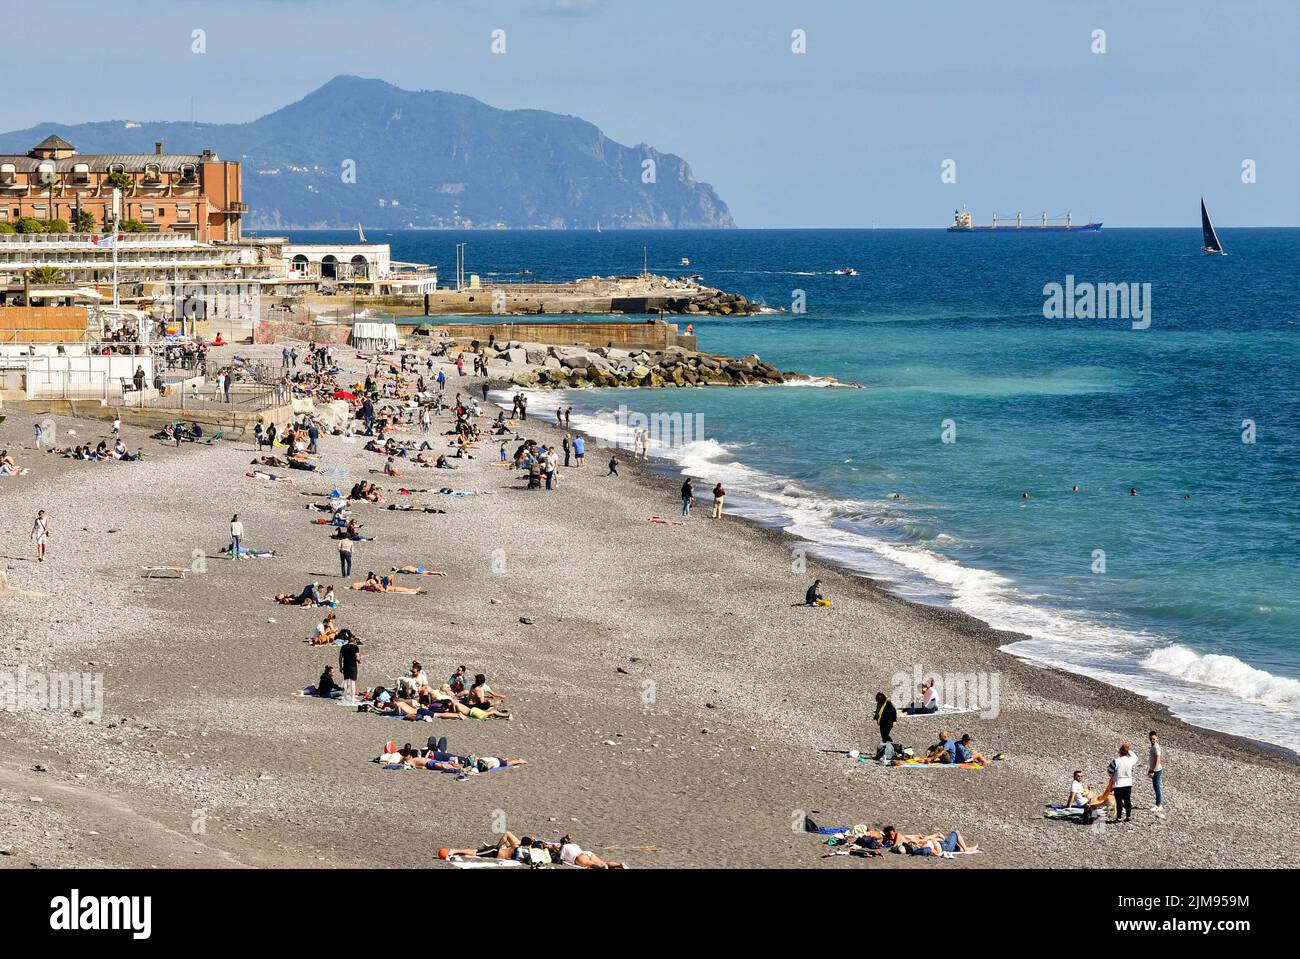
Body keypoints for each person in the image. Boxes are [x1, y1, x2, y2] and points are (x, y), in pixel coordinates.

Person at [1107, 743, 1137, 823]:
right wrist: (1128, 750)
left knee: (1119, 801)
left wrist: (1113, 776)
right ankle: (1128, 816)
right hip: (1128, 782)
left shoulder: (1116, 761)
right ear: (1127, 752)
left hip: (1118, 783)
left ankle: (1119, 817)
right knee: (1127, 800)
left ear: (1120, 751)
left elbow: (1109, 771)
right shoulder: (1130, 760)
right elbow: (1135, 757)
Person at [339, 632, 362, 702]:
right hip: (353, 666)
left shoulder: (343, 647)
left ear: (348, 640)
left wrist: (341, 666)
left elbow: (340, 658)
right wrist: (360, 659)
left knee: (345, 681)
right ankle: (352, 698)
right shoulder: (355, 647)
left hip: (345, 666)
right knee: (353, 683)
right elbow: (357, 658)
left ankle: (344, 696)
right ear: (354, 640)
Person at [1147, 731, 1164, 812]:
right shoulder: (1153, 746)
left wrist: (1153, 770)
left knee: (1157, 787)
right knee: (1155, 787)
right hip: (1154, 769)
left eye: (1154, 739)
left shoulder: (1156, 747)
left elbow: (1158, 759)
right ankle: (1158, 804)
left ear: (1157, 738)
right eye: (1151, 739)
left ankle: (1159, 805)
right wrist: (1150, 769)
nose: (1152, 740)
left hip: (1157, 770)